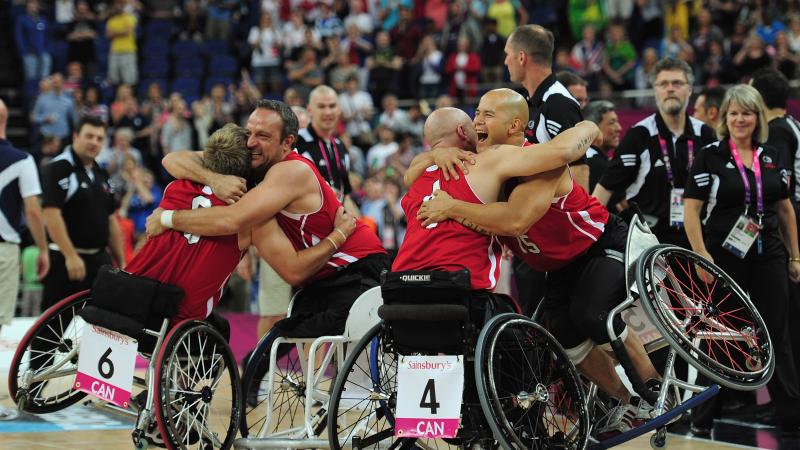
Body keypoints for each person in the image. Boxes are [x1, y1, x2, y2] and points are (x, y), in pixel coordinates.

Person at [414, 90, 662, 435]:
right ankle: (626, 402)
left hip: (600, 244)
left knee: (592, 314)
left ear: (515, 125)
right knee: (562, 337)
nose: (477, 122)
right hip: (559, 267)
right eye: (476, 113)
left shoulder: (538, 161)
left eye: (487, 115)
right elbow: (415, 170)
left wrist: (452, 207)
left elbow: (515, 220)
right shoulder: (485, 165)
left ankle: (656, 390)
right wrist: (439, 154)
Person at [147, 100, 388, 341]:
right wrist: (214, 179)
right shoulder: (253, 160)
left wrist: (168, 218)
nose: (250, 142)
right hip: (319, 273)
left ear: (288, 142)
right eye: (249, 132)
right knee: (273, 341)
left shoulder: (290, 171)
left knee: (304, 343)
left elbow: (233, 219)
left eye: (262, 135)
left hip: (358, 267)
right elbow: (172, 159)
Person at [126, 123, 356, 323]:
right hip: (182, 315)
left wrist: (167, 217)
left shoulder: (174, 187)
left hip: (134, 296)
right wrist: (338, 235)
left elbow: (172, 158)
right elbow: (293, 270)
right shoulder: (250, 216)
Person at [684, 84, 800, 438]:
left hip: (768, 251)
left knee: (776, 332)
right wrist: (702, 255)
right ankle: (702, 416)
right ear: (725, 118)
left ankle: (791, 417)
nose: (740, 119)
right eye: (734, 113)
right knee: (719, 331)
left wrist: (795, 255)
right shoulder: (710, 155)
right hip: (723, 253)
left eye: (747, 113)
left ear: (757, 117)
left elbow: (784, 207)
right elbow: (692, 210)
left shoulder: (773, 154)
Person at [504, 24, 590, 317]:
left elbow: (579, 171)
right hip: (534, 229)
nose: (505, 61)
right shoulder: (533, 101)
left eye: (508, 54)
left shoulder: (558, 102)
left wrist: (572, 235)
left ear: (522, 57)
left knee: (547, 322)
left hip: (554, 236)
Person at [592, 58, 716, 247]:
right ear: (655, 90)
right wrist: (591, 235)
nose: (670, 89)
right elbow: (604, 189)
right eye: (663, 84)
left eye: (677, 83)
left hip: (698, 240)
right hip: (651, 244)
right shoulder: (639, 135)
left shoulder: (705, 134)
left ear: (689, 89)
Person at [41, 115, 125, 311]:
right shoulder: (59, 168)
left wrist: (121, 261)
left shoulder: (101, 174)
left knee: (97, 327)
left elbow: (110, 219)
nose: (94, 142)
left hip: (99, 262)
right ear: (75, 136)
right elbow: (51, 215)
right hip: (66, 260)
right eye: (89, 136)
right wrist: (70, 255)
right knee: (53, 328)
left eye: (99, 138)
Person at [0, 98, 49, 345]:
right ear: (5, 121)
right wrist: (42, 249)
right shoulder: (22, 161)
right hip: (3, 249)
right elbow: (33, 211)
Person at [295, 85, 359, 214]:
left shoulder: (340, 146)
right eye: (321, 106)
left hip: (337, 222)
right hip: (307, 221)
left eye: (332, 106)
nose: (328, 112)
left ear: (339, 110)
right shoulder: (296, 142)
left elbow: (345, 194)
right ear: (309, 110)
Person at [583, 100, 622, 193]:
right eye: (612, 123)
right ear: (593, 128)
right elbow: (621, 205)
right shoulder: (594, 164)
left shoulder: (588, 157)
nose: (619, 128)